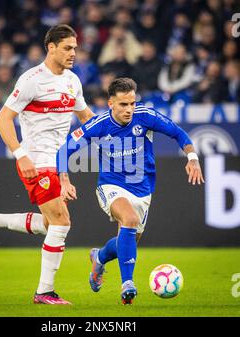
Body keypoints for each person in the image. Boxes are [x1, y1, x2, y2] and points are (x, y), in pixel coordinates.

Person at [0, 24, 94, 305]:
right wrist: (20, 154)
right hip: (36, 160)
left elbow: (86, 116)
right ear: (51, 47)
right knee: (62, 221)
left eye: (75, 48)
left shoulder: (73, 81)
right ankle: (44, 292)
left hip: (58, 162)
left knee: (51, 224)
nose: (74, 53)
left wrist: (115, 130)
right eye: (68, 48)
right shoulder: (32, 80)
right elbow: (2, 119)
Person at [56, 77, 204, 304]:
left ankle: (99, 257)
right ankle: (128, 284)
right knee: (130, 219)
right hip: (111, 186)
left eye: (132, 103)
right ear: (110, 104)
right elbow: (65, 149)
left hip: (143, 190)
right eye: (123, 104)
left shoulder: (145, 116)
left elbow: (177, 132)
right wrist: (64, 180)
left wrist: (192, 158)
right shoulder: (99, 124)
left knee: (127, 242)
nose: (129, 109)